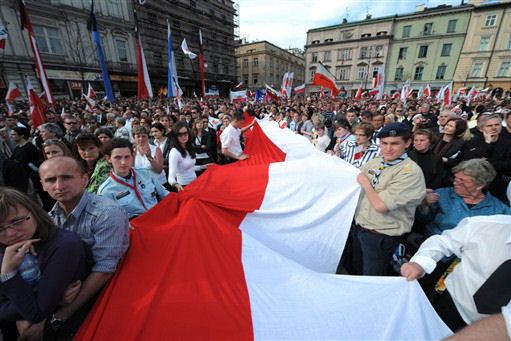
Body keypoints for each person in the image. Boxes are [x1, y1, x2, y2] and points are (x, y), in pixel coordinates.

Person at [38, 156, 129, 334]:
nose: (59, 186)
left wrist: (60, 316)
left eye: (66, 177)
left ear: (84, 179)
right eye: (51, 180)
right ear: (42, 185)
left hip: (106, 296)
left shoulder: (107, 212)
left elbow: (104, 270)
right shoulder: (47, 219)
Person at [0, 188, 87, 340]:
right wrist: (52, 300)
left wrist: (8, 274)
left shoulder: (64, 244)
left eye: (17, 221)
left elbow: (37, 313)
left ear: (33, 212)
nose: (10, 233)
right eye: (0, 229)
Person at [401, 215, 511, 332]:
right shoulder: (484, 226)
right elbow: (442, 242)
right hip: (452, 306)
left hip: (498, 330)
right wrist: (419, 264)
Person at [353, 122, 426, 276]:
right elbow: (353, 179)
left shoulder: (410, 172)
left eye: (394, 143)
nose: (388, 148)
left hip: (382, 236)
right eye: (384, 143)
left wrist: (366, 183)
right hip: (361, 229)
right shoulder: (377, 162)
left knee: (372, 281)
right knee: (356, 272)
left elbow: (381, 205)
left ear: (407, 143)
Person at [418, 158, 511, 238]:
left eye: (462, 181)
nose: (455, 183)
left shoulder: (498, 209)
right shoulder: (442, 194)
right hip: (436, 250)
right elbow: (422, 221)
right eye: (455, 178)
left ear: (480, 185)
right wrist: (424, 204)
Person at [98, 139, 169, 218]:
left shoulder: (146, 174)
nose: (123, 162)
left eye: (127, 157)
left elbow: (165, 194)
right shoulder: (106, 190)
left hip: (159, 218)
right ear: (109, 159)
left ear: (133, 156)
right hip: (136, 227)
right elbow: (110, 218)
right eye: (118, 158)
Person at [168, 122, 209, 191]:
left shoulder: (189, 147)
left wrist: (202, 167)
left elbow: (189, 168)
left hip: (195, 183)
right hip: (184, 186)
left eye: (185, 134)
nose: (183, 137)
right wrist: (175, 184)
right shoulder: (174, 152)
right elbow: (171, 177)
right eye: (180, 135)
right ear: (175, 136)